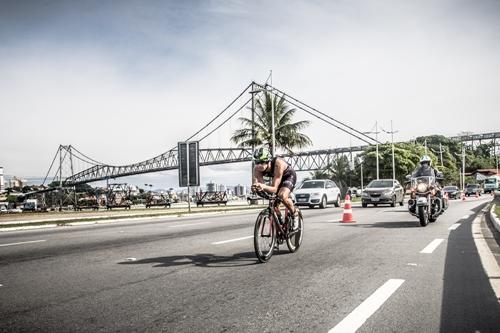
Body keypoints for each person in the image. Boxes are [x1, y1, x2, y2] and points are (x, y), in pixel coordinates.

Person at [251, 147, 299, 229]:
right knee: (273, 202)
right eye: (257, 162)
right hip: (276, 178)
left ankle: (295, 214)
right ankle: (279, 221)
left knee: (282, 196)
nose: (259, 165)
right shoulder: (256, 169)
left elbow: (274, 188)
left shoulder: (278, 163)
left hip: (288, 176)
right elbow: (263, 187)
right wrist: (257, 188)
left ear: (268, 160)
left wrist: (263, 186)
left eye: (262, 162)